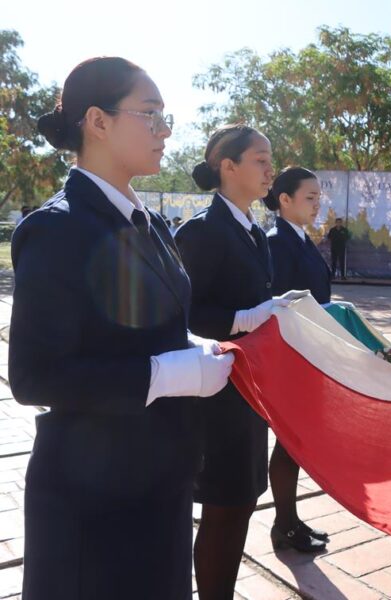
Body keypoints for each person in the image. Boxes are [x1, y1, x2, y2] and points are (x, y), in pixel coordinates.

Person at [10, 56, 233, 600]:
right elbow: (35, 377)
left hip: (160, 479)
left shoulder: (150, 221)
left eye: (165, 117)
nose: (164, 131)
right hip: (93, 499)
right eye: (151, 114)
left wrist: (193, 348)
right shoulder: (57, 228)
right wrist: (162, 374)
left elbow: (149, 324)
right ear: (98, 122)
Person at [175, 125, 306, 599]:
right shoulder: (202, 231)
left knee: (241, 503)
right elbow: (184, 314)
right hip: (216, 396)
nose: (270, 169)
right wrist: (247, 318)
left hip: (248, 391)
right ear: (227, 166)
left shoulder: (251, 231)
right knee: (223, 507)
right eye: (259, 159)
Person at [264, 167, 332, 552]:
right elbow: (281, 306)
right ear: (284, 200)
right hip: (292, 357)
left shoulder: (302, 240)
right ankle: (285, 525)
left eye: (318, 197)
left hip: (311, 354)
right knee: (290, 443)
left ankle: (289, 521)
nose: (317, 203)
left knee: (295, 443)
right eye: (309, 197)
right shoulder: (277, 243)